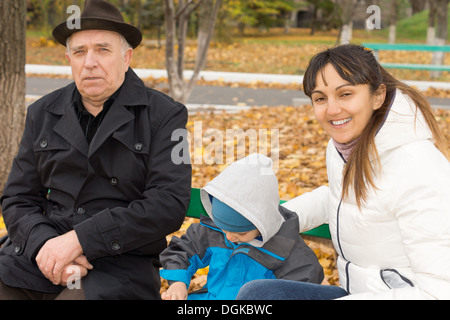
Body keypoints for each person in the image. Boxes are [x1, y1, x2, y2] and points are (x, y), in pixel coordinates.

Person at [0, 0, 191, 300]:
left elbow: (168, 204)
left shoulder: (165, 115)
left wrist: (80, 241)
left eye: (102, 49)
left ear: (126, 57)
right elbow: (17, 197)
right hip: (42, 257)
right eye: (80, 52)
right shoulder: (42, 113)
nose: (90, 62)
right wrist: (45, 245)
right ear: (69, 59)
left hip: (120, 265)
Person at [237, 44, 450, 300]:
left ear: (378, 95)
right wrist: (267, 223)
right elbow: (342, 200)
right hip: (360, 292)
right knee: (259, 294)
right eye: (320, 98)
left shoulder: (419, 167)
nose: (332, 110)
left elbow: (440, 292)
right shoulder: (345, 148)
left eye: (345, 94)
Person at [159, 154, 324, 300]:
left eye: (242, 233)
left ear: (263, 224)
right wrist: (178, 282)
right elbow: (183, 251)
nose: (229, 237)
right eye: (224, 228)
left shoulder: (289, 254)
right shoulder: (212, 230)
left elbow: (304, 289)